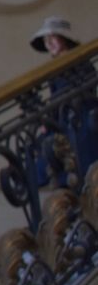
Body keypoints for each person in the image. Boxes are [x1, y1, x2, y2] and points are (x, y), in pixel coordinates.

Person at [29, 17, 98, 186]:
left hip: (80, 118)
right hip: (63, 119)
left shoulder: (79, 61)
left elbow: (86, 90)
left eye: (53, 37)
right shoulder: (55, 69)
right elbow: (56, 98)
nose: (48, 43)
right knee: (37, 145)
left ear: (64, 39)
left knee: (74, 146)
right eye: (46, 39)